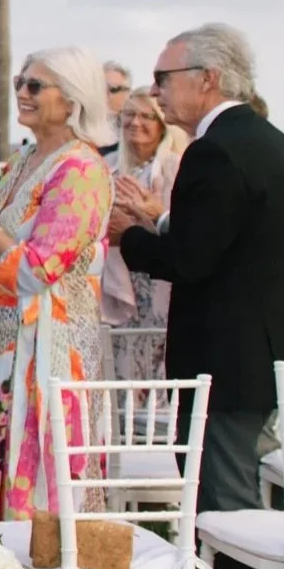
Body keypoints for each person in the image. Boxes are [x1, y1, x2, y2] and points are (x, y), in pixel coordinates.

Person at [109, 23, 284, 569]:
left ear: (209, 78)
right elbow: (231, 236)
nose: (158, 89)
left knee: (231, 499)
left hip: (232, 353)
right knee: (241, 491)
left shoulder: (215, 150)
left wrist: (129, 237)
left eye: (165, 78)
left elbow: (194, 261)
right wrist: (160, 218)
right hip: (265, 343)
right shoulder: (272, 144)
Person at [0, 48, 112, 525]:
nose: (22, 93)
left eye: (35, 86)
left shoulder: (81, 169)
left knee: (35, 507)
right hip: (1, 353)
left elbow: (35, 270)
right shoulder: (25, 159)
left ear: (72, 98)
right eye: (19, 82)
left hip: (46, 357)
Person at [103, 88, 187, 381]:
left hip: (156, 278)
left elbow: (182, 223)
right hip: (115, 275)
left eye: (146, 116)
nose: (136, 122)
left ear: (162, 124)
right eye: (130, 115)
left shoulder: (175, 166)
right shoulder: (107, 166)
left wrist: (149, 213)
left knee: (155, 360)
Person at [99, 61, 132, 155]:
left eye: (112, 89)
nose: (104, 94)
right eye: (100, 88)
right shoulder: (82, 126)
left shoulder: (135, 126)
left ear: (127, 93)